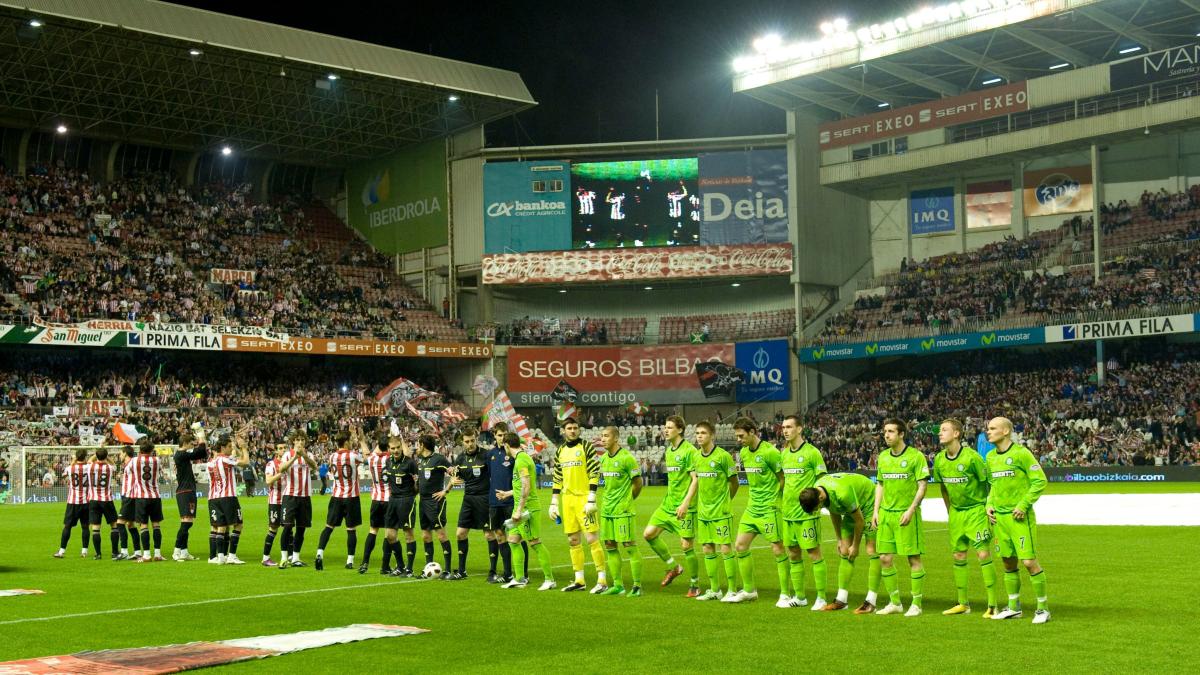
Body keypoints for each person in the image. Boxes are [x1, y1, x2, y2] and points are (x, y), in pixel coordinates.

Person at [985, 416, 1050, 624]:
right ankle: (1014, 607)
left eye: (993, 428)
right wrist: (989, 504)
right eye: (988, 428)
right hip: (1000, 520)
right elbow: (993, 485)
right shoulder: (990, 457)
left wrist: (1023, 505)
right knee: (1007, 561)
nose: (989, 432)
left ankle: (1043, 609)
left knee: (1029, 562)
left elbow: (1040, 481)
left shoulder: (1022, 454)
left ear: (1005, 431)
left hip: (1019, 518)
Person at [932, 418, 998, 617]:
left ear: (956, 433)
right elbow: (943, 486)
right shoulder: (939, 460)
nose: (939, 433)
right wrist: (949, 510)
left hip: (976, 511)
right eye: (939, 430)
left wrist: (988, 505)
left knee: (983, 555)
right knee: (958, 555)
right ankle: (963, 604)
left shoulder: (972, 458)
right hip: (956, 514)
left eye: (944, 430)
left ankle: (993, 605)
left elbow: (989, 482)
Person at [723, 417, 785, 604]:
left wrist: (775, 499)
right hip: (752, 507)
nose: (739, 439)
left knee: (778, 550)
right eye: (737, 436)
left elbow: (782, 478)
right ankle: (749, 591)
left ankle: (785, 593)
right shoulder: (743, 452)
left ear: (752, 432)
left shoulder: (770, 452)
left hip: (769, 509)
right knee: (740, 546)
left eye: (741, 436)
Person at [799, 472, 880, 612]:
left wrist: (855, 546)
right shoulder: (817, 490)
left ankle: (871, 601)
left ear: (820, 497)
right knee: (844, 550)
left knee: (871, 550)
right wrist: (839, 539)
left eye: (818, 507)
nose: (819, 509)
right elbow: (833, 510)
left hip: (868, 503)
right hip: (851, 507)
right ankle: (841, 600)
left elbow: (859, 521)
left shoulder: (842, 493)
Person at [872, 418, 928, 617]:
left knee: (913, 559)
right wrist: (876, 511)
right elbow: (880, 484)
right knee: (885, 558)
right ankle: (895, 602)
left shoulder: (915, 456)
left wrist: (911, 509)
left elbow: (922, 486)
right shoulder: (883, 457)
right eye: (885, 431)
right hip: (886, 515)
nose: (886, 435)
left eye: (891, 431)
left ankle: (917, 604)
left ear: (902, 434)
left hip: (906, 514)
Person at [643, 415, 700, 596]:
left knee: (686, 546)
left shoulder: (689, 451)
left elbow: (695, 479)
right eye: (664, 427)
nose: (665, 430)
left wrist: (685, 503)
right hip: (667, 504)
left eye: (669, 427)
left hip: (684, 506)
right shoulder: (668, 451)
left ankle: (695, 585)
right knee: (649, 534)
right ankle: (673, 567)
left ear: (680, 430)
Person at [550, 418, 607, 593]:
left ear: (579, 430)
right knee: (573, 540)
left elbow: (594, 471)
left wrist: (591, 496)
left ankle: (602, 580)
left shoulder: (586, 447)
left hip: (584, 499)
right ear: (563, 431)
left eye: (575, 428)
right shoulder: (559, 451)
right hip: (568, 501)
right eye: (569, 428)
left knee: (591, 539)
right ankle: (579, 580)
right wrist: (554, 501)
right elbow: (558, 477)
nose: (573, 431)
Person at [779, 415, 828, 610]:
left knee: (814, 554)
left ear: (800, 429)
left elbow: (822, 480)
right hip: (788, 513)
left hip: (807, 514)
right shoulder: (784, 454)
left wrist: (816, 504)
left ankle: (822, 598)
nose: (785, 430)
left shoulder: (812, 453)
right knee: (792, 554)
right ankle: (800, 597)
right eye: (783, 427)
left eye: (789, 427)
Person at [497, 433, 555, 590]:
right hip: (520, 507)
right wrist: (507, 494)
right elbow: (520, 486)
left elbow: (526, 486)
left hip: (528, 508)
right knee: (513, 540)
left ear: (507, 445)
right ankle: (519, 578)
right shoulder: (522, 458)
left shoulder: (521, 460)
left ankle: (549, 580)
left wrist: (519, 510)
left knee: (534, 542)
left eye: (504, 446)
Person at [692, 421, 739, 601]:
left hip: (721, 512)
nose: (699, 436)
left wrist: (726, 501)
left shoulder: (723, 456)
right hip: (703, 512)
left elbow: (734, 482)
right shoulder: (696, 457)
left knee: (726, 548)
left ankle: (732, 590)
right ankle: (714, 590)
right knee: (707, 548)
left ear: (712, 435)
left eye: (703, 433)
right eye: (697, 433)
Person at [597, 426, 644, 597]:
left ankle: (637, 586)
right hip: (607, 509)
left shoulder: (626, 458)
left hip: (623, 511)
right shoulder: (603, 459)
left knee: (629, 546)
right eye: (602, 436)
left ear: (616, 438)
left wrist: (628, 501)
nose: (603, 439)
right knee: (610, 546)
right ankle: (618, 585)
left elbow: (638, 483)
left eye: (606, 436)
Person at [314, 428, 364, 571]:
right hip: (351, 497)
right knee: (351, 530)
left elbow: (331, 470)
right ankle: (349, 561)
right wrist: (359, 439)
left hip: (336, 497)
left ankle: (319, 553)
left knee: (328, 527)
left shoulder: (332, 457)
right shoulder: (353, 456)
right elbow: (366, 458)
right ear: (347, 442)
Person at [485, 423, 526, 583]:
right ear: (494, 436)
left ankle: (523, 574)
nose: (502, 438)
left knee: (518, 537)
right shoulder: (491, 455)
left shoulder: (516, 454)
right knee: (500, 536)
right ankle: (508, 573)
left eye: (504, 435)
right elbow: (490, 475)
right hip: (494, 502)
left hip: (511, 502)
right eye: (499, 435)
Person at [450, 427, 490, 580]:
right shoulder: (460, 459)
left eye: (472, 440)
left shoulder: (486, 455)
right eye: (467, 442)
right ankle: (461, 571)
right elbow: (455, 476)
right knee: (460, 534)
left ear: (476, 439)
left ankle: (492, 572)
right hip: (468, 499)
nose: (470, 444)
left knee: (488, 534)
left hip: (484, 498)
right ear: (462, 442)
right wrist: (451, 483)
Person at [207, 432, 250, 565]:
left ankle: (220, 557)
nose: (231, 448)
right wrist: (243, 448)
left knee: (220, 527)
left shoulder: (211, 462)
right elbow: (245, 462)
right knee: (238, 524)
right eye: (229, 446)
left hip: (214, 497)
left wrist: (235, 446)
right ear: (223, 447)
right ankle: (231, 555)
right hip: (228, 497)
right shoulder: (225, 460)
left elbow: (234, 456)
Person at [278, 431, 317, 568]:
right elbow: (281, 468)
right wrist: (295, 457)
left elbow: (314, 466)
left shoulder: (309, 455)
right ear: (293, 441)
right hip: (290, 496)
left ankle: (295, 558)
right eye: (298, 439)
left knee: (301, 529)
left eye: (302, 440)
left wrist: (304, 455)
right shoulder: (287, 455)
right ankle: (283, 558)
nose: (300, 442)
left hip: (305, 497)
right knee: (287, 527)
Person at [417, 434, 453, 578]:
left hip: (435, 502)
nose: (417, 447)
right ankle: (428, 569)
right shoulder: (420, 460)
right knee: (426, 535)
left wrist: (446, 491)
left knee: (441, 534)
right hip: (423, 501)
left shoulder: (438, 459)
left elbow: (454, 472)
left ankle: (448, 570)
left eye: (418, 444)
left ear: (423, 445)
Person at [383, 434, 419, 577]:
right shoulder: (388, 462)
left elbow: (418, 483)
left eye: (398, 447)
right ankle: (400, 566)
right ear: (389, 449)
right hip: (393, 500)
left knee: (408, 533)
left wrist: (412, 496)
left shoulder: (410, 463)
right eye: (393, 448)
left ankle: (409, 569)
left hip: (406, 500)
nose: (396, 450)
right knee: (390, 535)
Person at [172, 425, 208, 562]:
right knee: (186, 522)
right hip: (185, 491)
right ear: (185, 444)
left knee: (188, 522)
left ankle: (184, 551)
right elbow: (201, 452)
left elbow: (200, 453)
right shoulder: (181, 455)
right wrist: (200, 434)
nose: (191, 446)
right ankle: (176, 550)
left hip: (186, 490)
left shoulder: (181, 455)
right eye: (190, 444)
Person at [360, 432, 391, 574]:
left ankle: (365, 562)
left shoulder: (371, 459)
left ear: (377, 444)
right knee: (388, 534)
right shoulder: (391, 458)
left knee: (373, 530)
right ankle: (385, 566)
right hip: (389, 500)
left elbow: (367, 452)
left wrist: (361, 439)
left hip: (376, 499)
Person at [131, 438, 165, 563]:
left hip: (141, 496)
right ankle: (157, 553)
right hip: (155, 496)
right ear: (152, 450)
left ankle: (146, 555)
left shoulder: (135, 461)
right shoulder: (157, 460)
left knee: (143, 525)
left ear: (140, 449)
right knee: (156, 524)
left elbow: (127, 471)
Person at [54, 448, 91, 559]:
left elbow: (63, 475)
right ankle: (84, 551)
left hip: (73, 502)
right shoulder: (89, 467)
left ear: (76, 457)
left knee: (67, 526)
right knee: (85, 527)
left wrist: (73, 461)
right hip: (86, 501)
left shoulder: (70, 468)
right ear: (85, 457)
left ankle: (61, 551)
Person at [87, 446, 119, 561]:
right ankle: (115, 553)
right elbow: (114, 464)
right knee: (114, 525)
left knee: (96, 527)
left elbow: (89, 460)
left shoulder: (90, 466)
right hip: (107, 499)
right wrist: (107, 456)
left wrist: (97, 453)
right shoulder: (110, 468)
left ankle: (98, 554)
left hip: (94, 500)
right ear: (105, 457)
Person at [262, 444, 287, 567]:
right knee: (273, 529)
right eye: (281, 448)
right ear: (276, 451)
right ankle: (265, 558)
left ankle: (291, 557)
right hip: (275, 501)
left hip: (287, 500)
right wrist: (281, 473)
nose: (283, 450)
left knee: (288, 527)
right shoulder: (271, 464)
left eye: (285, 448)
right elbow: (268, 481)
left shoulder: (289, 463)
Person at [116, 445, 141, 560]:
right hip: (130, 497)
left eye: (121, 453)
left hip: (129, 496)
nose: (120, 455)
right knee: (130, 524)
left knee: (120, 523)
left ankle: (124, 551)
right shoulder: (128, 464)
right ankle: (137, 552)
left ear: (125, 453)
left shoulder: (132, 462)